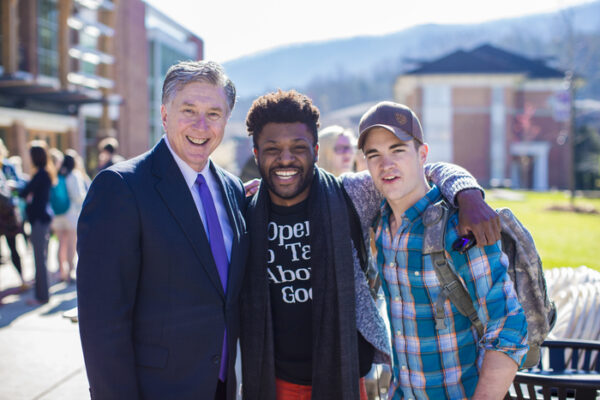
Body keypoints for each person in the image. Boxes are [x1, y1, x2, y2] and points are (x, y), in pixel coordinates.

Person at [240, 90, 499, 400]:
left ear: (315, 150)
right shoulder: (242, 209)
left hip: (344, 374)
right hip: (272, 380)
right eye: (272, 149)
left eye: (298, 147)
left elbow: (418, 170)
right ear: (256, 154)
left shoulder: (350, 194)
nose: (285, 159)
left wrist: (466, 192)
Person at [77, 60, 248, 400]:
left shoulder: (234, 190)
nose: (202, 125)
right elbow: (102, 323)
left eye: (214, 113)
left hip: (222, 386)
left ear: (226, 121)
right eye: (189, 110)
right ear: (165, 115)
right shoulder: (121, 188)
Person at [358, 101, 528, 400]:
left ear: (422, 154)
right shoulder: (380, 225)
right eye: (375, 155)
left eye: (398, 150)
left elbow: (508, 327)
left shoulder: (459, 227)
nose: (386, 165)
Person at [19, 141, 55, 305]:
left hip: (39, 220)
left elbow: (25, 192)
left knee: (39, 259)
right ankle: (42, 294)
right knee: (42, 258)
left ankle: (42, 297)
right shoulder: (45, 173)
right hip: (43, 219)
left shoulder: (41, 174)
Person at [51, 149, 87, 283]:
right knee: (72, 244)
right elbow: (79, 196)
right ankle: (71, 272)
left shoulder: (58, 175)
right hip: (71, 214)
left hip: (57, 214)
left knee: (61, 244)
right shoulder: (74, 175)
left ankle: (61, 271)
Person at [0, 140, 26, 289]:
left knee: (13, 247)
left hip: (8, 213)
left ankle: (22, 279)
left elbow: (21, 184)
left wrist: (13, 185)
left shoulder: (8, 166)